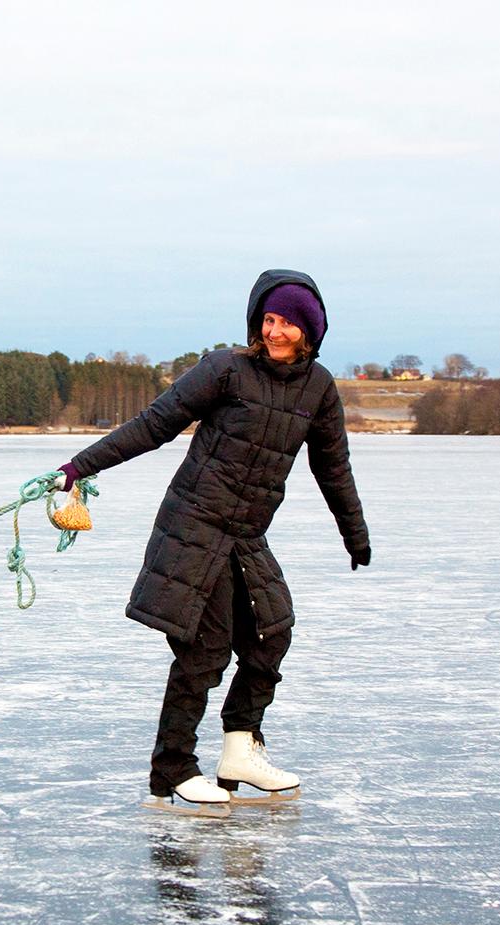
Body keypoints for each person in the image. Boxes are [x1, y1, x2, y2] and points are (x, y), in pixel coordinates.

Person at [49, 270, 371, 814]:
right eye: (268, 319)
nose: (274, 331)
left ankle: (240, 751)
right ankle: (171, 770)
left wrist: (354, 533)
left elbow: (332, 467)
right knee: (205, 650)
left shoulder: (319, 390)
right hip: (195, 523)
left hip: (247, 533)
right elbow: (155, 424)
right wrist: (80, 465)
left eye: (287, 323)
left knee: (272, 633)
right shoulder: (226, 370)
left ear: (309, 331)